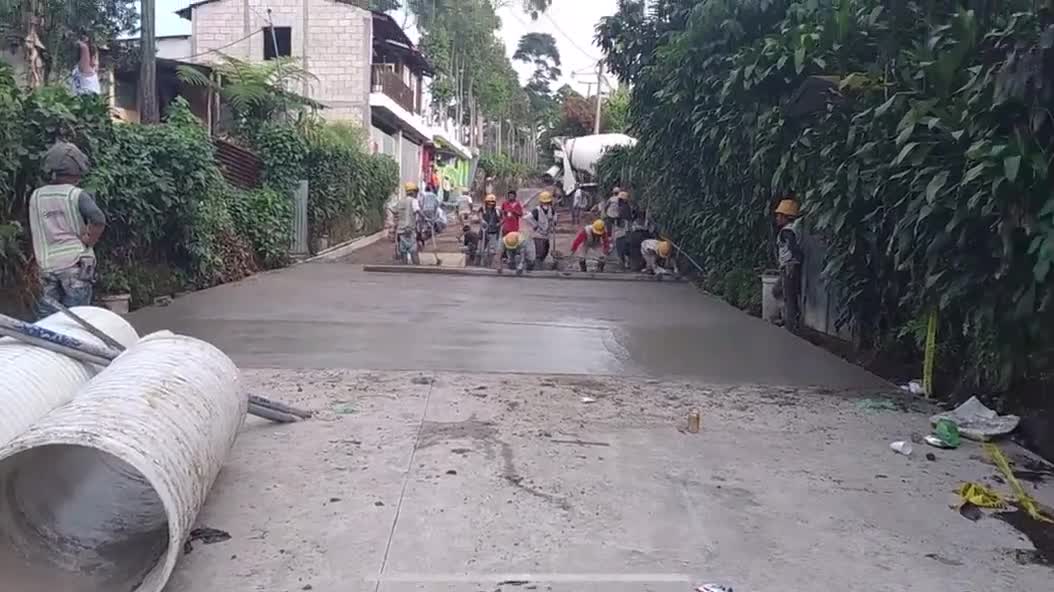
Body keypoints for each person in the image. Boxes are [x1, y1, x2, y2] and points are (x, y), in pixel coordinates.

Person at [28, 141, 106, 318]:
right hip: (75, 265)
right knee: (77, 320)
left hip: (45, 266)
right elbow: (98, 219)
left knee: (49, 322)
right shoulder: (76, 194)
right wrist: (89, 240)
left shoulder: (36, 196)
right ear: (78, 169)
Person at [774, 197, 803, 333]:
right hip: (788, 267)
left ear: (787, 217)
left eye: (780, 215)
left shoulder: (787, 232)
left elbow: (793, 248)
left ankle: (790, 327)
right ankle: (788, 320)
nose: (777, 218)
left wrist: (793, 262)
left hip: (789, 267)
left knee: (788, 297)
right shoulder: (792, 229)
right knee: (779, 291)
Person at [389, 182, 422, 264]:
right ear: (413, 192)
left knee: (403, 250)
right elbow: (417, 210)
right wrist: (426, 218)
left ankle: (404, 266)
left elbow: (393, 209)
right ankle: (416, 267)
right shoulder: (414, 201)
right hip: (410, 229)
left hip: (401, 230)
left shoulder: (400, 202)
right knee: (413, 249)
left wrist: (396, 219)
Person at [527, 191, 557, 268]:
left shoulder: (551, 210)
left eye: (547, 203)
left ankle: (540, 262)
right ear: (541, 202)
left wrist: (554, 222)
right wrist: (535, 225)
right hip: (538, 234)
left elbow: (554, 217)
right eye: (544, 203)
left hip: (546, 233)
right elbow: (528, 217)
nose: (546, 205)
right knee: (539, 251)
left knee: (546, 249)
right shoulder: (536, 210)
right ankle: (537, 266)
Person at [478, 194, 501, 267]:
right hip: (484, 231)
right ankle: (480, 261)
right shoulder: (483, 209)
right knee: (481, 248)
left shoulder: (497, 211)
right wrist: (482, 221)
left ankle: (492, 263)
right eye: (488, 203)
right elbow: (480, 216)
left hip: (493, 232)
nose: (490, 205)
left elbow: (502, 219)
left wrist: (499, 224)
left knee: (493, 249)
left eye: (492, 203)